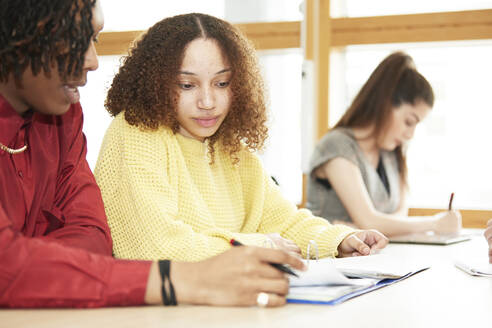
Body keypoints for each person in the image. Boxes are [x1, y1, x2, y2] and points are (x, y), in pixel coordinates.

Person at [0, 0, 307, 308]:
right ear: (15, 34)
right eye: (73, 42)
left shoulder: (64, 118)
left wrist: (37, 268)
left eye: (93, 40)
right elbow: (8, 264)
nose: (93, 61)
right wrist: (181, 279)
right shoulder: (130, 133)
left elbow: (91, 234)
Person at [94, 13, 388, 265]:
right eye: (187, 85)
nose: (208, 101)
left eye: (222, 83)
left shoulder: (230, 146)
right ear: (155, 84)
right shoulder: (134, 133)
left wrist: (340, 240)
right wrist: (259, 246)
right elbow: (155, 248)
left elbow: (282, 221)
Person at [306, 52, 462, 237]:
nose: (410, 134)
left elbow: (399, 216)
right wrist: (435, 223)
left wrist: (362, 227)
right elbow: (370, 221)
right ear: (386, 105)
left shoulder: (392, 153)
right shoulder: (336, 146)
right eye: (409, 122)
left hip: (378, 258)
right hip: (330, 260)